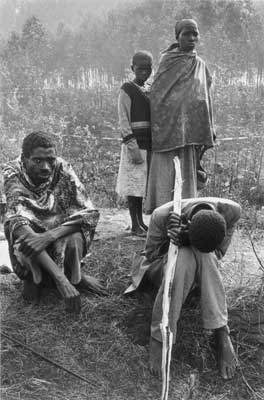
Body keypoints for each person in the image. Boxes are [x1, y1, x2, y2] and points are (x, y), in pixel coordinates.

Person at [125, 197, 241, 379]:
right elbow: (150, 255)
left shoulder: (231, 212)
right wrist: (171, 239)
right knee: (184, 257)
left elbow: (217, 253)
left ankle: (221, 332)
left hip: (201, 265)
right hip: (161, 266)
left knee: (206, 256)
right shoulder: (162, 215)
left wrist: (189, 240)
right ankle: (160, 336)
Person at [3, 131, 106, 312]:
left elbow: (89, 212)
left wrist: (49, 236)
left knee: (75, 235)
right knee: (24, 238)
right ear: (25, 158)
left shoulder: (62, 168)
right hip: (30, 239)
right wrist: (61, 281)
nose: (46, 167)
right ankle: (34, 277)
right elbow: (17, 222)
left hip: (57, 233)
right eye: (37, 160)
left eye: (50, 159)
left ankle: (76, 276)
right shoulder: (12, 173)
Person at [145, 19, 215, 213]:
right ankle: (162, 213)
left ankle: (185, 212)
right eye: (186, 34)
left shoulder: (200, 65)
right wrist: (172, 113)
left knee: (186, 173)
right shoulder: (167, 61)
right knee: (166, 173)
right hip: (167, 130)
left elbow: (206, 96)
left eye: (195, 34)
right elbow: (157, 93)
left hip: (191, 132)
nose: (191, 38)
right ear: (177, 36)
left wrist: (209, 124)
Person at [116, 50, 153, 237]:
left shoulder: (150, 89)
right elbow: (123, 119)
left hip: (148, 145)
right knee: (133, 186)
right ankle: (134, 224)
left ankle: (140, 222)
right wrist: (132, 147)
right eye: (140, 69)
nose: (144, 73)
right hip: (134, 145)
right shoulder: (127, 89)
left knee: (141, 186)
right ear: (133, 69)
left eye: (148, 69)